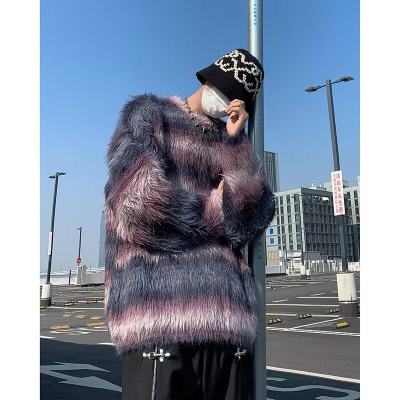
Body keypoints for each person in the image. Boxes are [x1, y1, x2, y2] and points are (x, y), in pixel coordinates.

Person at [103, 48, 276, 400]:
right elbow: (136, 203)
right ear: (208, 79)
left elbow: (253, 218)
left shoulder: (230, 141)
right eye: (225, 91)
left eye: (238, 100)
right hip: (160, 318)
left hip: (228, 324)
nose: (226, 102)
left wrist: (236, 144)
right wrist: (215, 209)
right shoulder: (150, 115)